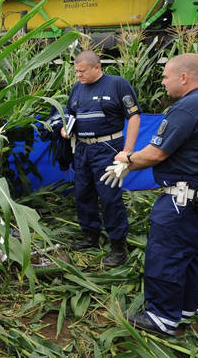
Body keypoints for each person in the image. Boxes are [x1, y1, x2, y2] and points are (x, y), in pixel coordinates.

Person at [104, 53, 198, 337]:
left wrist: (127, 158)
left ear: (184, 77)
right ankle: (183, 311)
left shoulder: (188, 108)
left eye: (165, 76)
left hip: (183, 201)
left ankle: (161, 318)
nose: (162, 82)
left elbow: (155, 153)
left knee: (166, 256)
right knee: (191, 257)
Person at [61, 50, 141, 267]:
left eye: (82, 71)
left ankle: (117, 247)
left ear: (97, 67)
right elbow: (71, 115)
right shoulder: (76, 89)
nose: (78, 75)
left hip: (108, 148)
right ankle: (90, 236)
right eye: (76, 71)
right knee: (83, 193)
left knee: (109, 196)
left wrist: (128, 152)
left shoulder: (117, 84)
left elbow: (134, 117)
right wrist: (65, 129)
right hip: (83, 150)